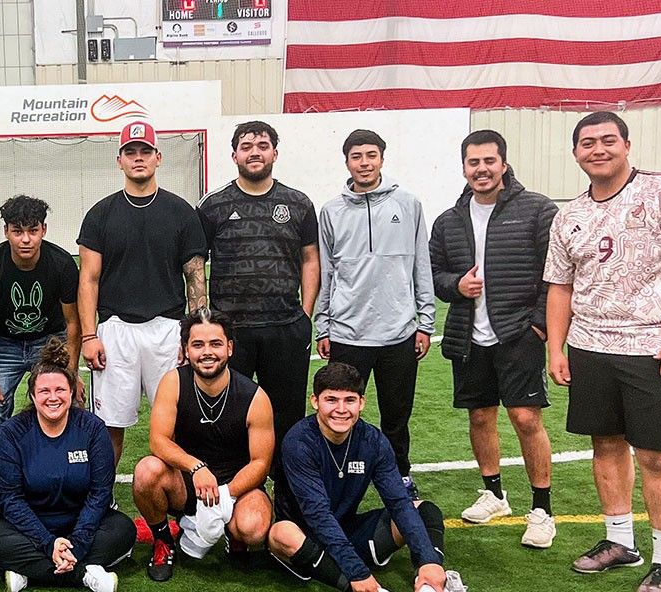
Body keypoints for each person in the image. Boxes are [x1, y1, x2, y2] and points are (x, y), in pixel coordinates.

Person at [544, 111, 661, 592]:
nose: (597, 149)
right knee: (606, 445)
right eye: (587, 143)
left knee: (657, 455)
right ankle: (621, 542)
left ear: (626, 144)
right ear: (576, 153)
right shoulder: (569, 214)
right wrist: (557, 346)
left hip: (654, 348)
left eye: (607, 140)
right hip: (591, 347)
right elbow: (560, 286)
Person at [428, 130, 560, 548]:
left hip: (518, 333)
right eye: (473, 163)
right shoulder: (449, 220)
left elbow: (556, 272)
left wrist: (539, 324)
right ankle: (495, 494)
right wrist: (455, 285)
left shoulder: (537, 209)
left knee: (525, 418)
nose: (481, 169)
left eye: (489, 161)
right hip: (469, 336)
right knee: (480, 416)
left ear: (503, 163)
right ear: (464, 167)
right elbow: (433, 274)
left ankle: (542, 509)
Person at [270, 363, 475, 592]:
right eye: (331, 400)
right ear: (315, 401)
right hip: (306, 539)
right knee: (281, 533)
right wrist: (357, 573)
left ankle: (430, 587)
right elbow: (318, 515)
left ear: (362, 403)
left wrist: (428, 560)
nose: (341, 409)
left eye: (350, 400)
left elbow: (399, 503)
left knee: (423, 509)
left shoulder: (373, 441)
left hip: (348, 530)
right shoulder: (299, 442)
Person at [314, 129, 435, 499]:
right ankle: (339, 483)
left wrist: (425, 322)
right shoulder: (331, 211)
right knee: (341, 415)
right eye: (356, 156)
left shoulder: (408, 204)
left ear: (382, 158)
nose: (364, 163)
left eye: (370, 155)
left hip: (398, 334)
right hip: (349, 333)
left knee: (396, 418)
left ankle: (399, 477)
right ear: (346, 162)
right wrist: (323, 325)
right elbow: (325, 271)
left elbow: (421, 267)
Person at [78, 121, 209, 463]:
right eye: (130, 152)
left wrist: (193, 335)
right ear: (119, 160)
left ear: (158, 158)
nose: (139, 158)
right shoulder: (100, 214)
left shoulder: (181, 212)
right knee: (109, 425)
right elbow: (88, 279)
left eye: (145, 151)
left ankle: (184, 501)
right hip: (116, 330)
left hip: (168, 329)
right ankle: (102, 501)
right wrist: (89, 335)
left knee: (177, 424)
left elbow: (196, 276)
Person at [197, 120, 319, 478]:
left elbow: (310, 258)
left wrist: (305, 314)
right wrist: (203, 319)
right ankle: (231, 496)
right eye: (246, 146)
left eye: (262, 145)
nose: (254, 152)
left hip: (285, 328)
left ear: (274, 153)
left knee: (286, 417)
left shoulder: (297, 203)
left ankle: (287, 497)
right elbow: (195, 263)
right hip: (231, 334)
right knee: (229, 414)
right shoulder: (213, 205)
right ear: (234, 154)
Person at [0, 340, 135, 592]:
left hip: (81, 524)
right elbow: (10, 500)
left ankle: (28, 571)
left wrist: (79, 543)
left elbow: (100, 493)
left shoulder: (93, 429)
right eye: (44, 391)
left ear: (71, 392)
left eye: (60, 389)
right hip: (28, 528)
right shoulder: (12, 433)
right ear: (33, 395)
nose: (52, 397)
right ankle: (85, 575)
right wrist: (48, 543)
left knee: (124, 531)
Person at [132, 308, 274, 581]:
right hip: (187, 482)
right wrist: (196, 467)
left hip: (237, 485)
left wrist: (223, 497)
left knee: (254, 527)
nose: (207, 352)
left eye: (215, 344)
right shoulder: (173, 382)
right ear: (185, 349)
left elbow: (261, 463)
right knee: (147, 471)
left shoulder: (254, 396)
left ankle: (235, 536)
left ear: (230, 348)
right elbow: (158, 441)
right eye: (197, 344)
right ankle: (163, 540)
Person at [0, 194, 80, 517]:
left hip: (49, 341)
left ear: (43, 230)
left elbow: (73, 324)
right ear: (6, 231)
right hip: (2, 343)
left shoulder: (61, 264)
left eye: (32, 230)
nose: (26, 239)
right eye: (18, 231)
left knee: (63, 407)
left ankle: (62, 488)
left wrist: (70, 377)